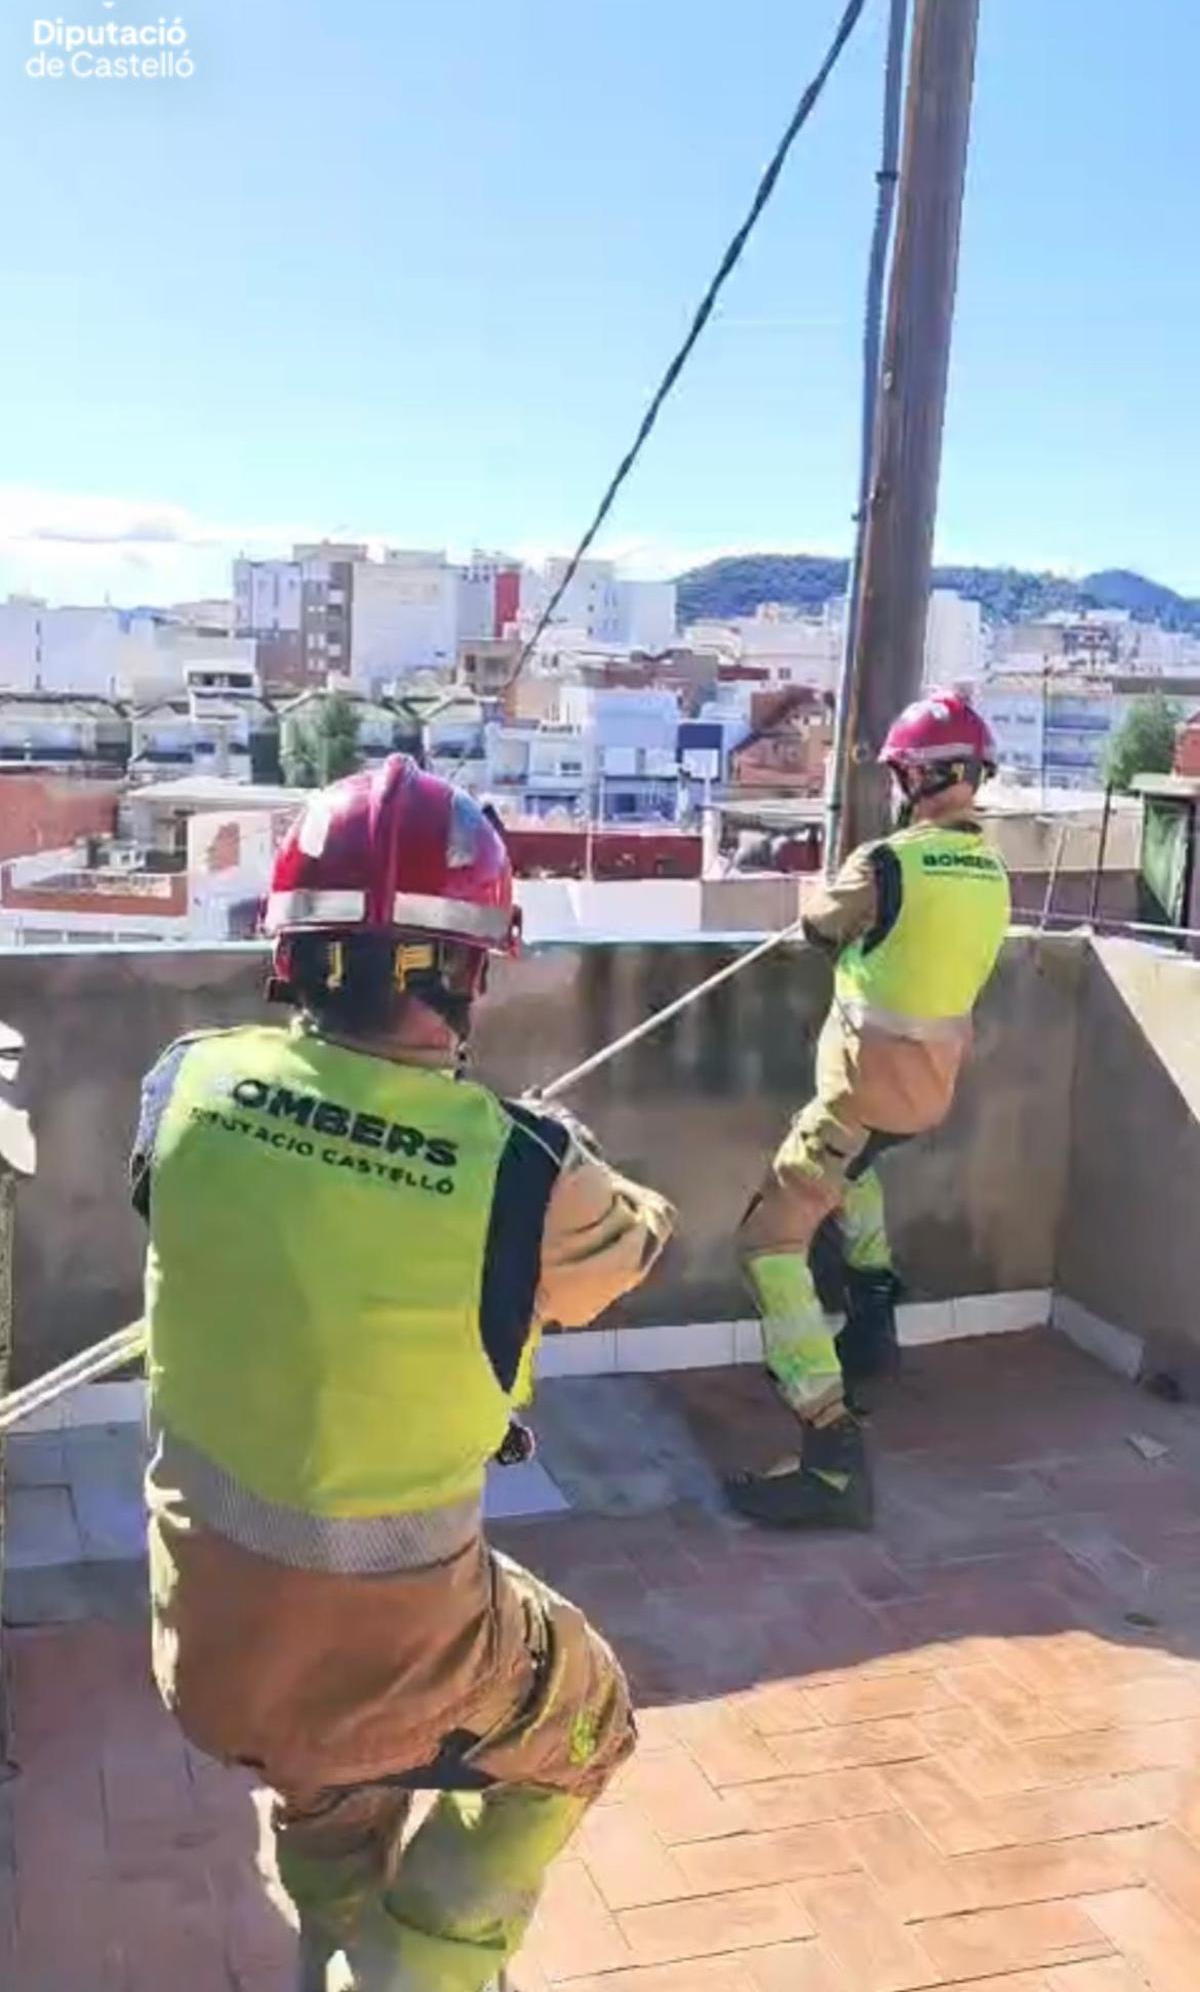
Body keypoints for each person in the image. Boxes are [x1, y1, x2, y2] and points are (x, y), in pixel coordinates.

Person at [130, 756, 675, 1992]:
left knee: (324, 1769)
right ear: (473, 966)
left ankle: (334, 1933)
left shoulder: (182, 1082)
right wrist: (549, 1152)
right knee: (589, 1724)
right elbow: (630, 1250)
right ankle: (407, 1966)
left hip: (211, 1651)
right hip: (400, 1642)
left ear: (293, 952)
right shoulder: (526, 1167)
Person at [727, 689, 1011, 1532]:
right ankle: (874, 1325)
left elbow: (820, 926)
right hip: (924, 1093)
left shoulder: (886, 863)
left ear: (920, 777)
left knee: (768, 1241)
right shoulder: (993, 870)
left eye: (901, 772)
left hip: (858, 1094)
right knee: (855, 1174)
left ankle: (830, 1445)